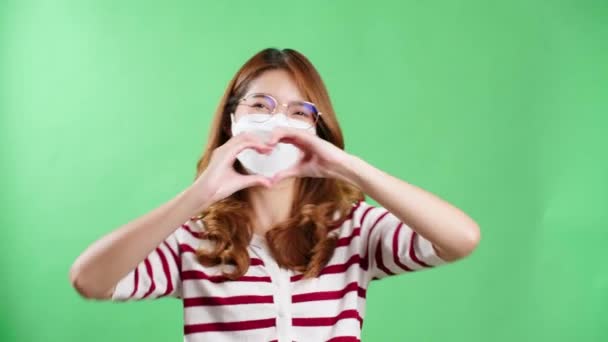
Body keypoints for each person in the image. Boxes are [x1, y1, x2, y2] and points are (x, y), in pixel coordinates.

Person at [69, 48, 480, 342]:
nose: (278, 124)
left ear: (317, 131)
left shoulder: (354, 230)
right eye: (261, 106)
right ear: (233, 120)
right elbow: (89, 280)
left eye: (299, 112)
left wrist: (350, 168)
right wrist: (198, 196)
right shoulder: (192, 241)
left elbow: (461, 239)